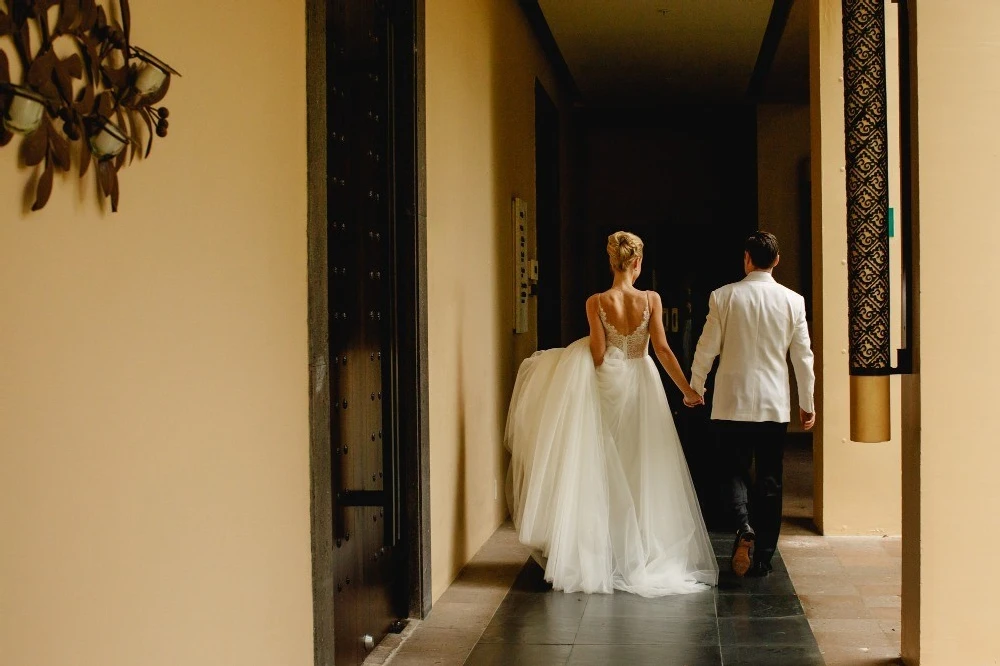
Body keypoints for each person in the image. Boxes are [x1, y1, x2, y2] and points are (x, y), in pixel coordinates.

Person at [505, 231, 718, 597]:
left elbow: (599, 354)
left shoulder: (596, 302)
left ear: (612, 262)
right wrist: (687, 390)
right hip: (643, 384)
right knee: (645, 467)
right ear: (637, 263)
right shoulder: (651, 299)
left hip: (608, 388)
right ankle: (644, 550)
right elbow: (664, 350)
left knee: (605, 468)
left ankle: (606, 551)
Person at [689, 231, 816, 578]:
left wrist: (695, 387)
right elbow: (803, 357)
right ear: (776, 261)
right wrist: (807, 401)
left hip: (731, 402)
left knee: (731, 470)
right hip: (773, 404)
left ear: (746, 258)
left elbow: (706, 348)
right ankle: (763, 557)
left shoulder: (723, 297)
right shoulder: (793, 301)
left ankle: (743, 525)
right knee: (771, 478)